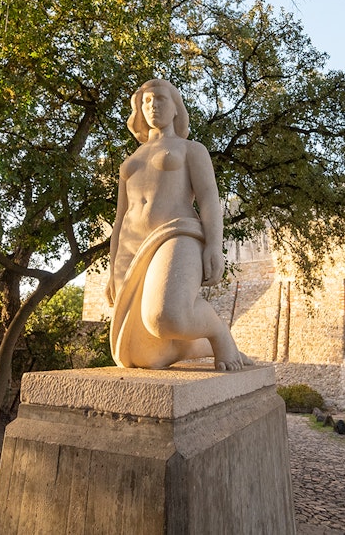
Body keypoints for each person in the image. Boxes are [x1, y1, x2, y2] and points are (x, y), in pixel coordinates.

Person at [107, 79, 251, 371]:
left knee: (166, 316)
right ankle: (195, 347)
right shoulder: (131, 159)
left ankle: (218, 332)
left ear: (176, 108)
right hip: (132, 245)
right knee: (139, 356)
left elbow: (209, 199)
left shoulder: (191, 149)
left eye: (160, 98)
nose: (152, 106)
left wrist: (214, 245)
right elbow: (120, 218)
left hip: (178, 233)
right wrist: (112, 270)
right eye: (145, 102)